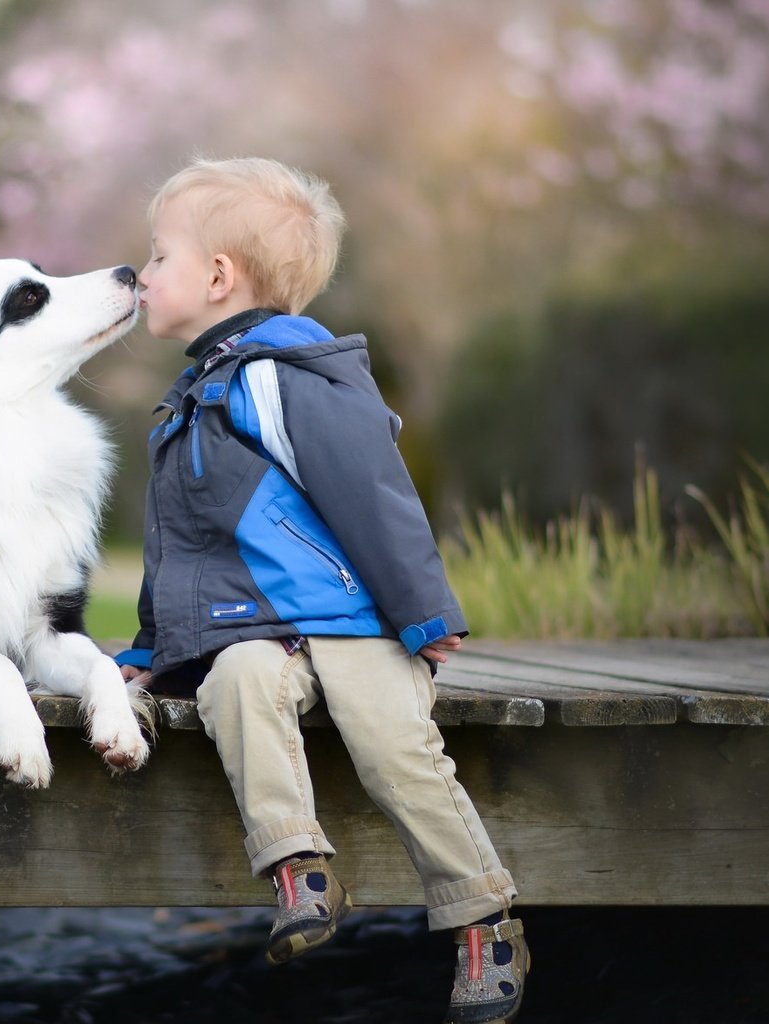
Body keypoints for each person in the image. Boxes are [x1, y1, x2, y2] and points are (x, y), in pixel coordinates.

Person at [114, 156, 529, 1023]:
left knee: (396, 751)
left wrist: (424, 614)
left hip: (355, 624)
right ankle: (298, 868)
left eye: (157, 257)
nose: (141, 274)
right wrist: (151, 652)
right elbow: (180, 550)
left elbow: (373, 495)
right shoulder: (193, 397)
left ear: (219, 276)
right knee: (235, 683)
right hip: (254, 632)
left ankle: (482, 917)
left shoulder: (283, 380)